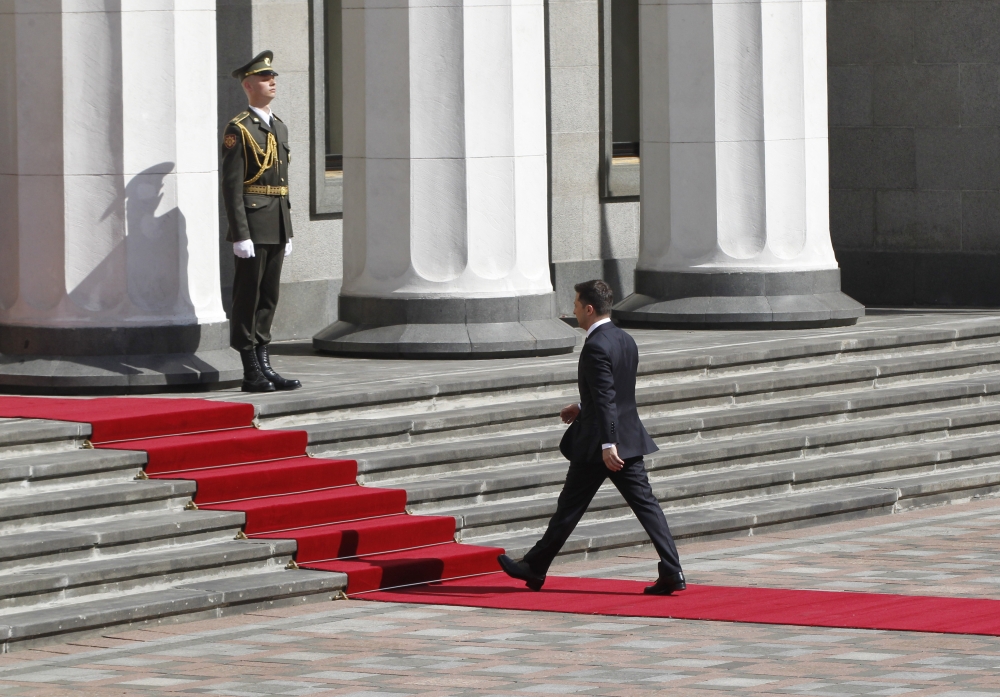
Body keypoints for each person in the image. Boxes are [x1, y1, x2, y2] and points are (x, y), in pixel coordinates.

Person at [497, 280, 686, 595]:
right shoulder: (625, 339)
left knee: (569, 507)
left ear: (588, 308)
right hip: (626, 440)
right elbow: (614, 392)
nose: (572, 310)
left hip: (600, 446)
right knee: (646, 506)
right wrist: (584, 406)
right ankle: (672, 569)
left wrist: (608, 444)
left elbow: (609, 398)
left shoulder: (596, 345)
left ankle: (534, 566)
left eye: (575, 305)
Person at [221, 50, 301, 393]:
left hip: (277, 223)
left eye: (273, 77)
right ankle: (250, 369)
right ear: (248, 85)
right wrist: (241, 234)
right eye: (265, 78)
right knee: (248, 296)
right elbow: (232, 186)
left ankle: (264, 364)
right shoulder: (238, 128)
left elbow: (281, 182)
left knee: (268, 296)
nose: (272, 82)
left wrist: (288, 228)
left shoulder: (278, 125)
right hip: (253, 225)